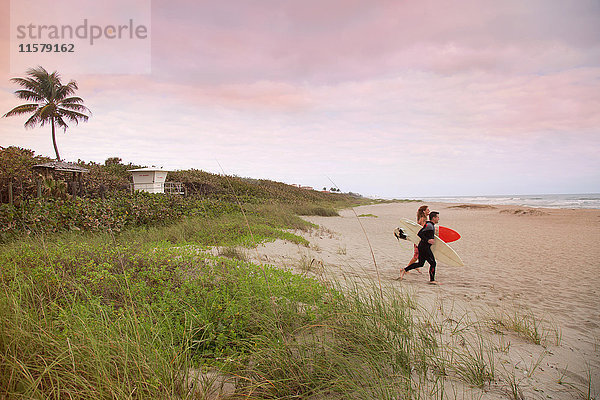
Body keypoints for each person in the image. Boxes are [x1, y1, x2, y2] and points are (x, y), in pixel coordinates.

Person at [399, 211, 440, 284]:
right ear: (433, 218)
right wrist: (428, 240)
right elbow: (420, 233)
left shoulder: (429, 225)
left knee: (420, 263)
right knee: (433, 263)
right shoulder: (429, 226)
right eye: (437, 217)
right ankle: (432, 280)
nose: (438, 219)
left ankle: (404, 270)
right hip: (424, 247)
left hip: (422, 246)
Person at [397, 205, 429, 277]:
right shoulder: (423, 219)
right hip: (419, 240)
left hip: (418, 239)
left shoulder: (422, 218)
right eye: (427, 210)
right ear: (424, 211)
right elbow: (422, 230)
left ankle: (415, 266)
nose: (429, 211)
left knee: (418, 256)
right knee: (416, 256)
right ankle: (406, 269)